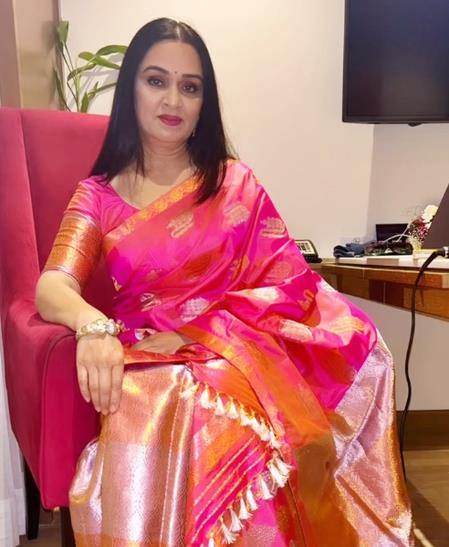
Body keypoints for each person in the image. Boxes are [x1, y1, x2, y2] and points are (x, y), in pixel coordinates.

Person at [35, 18, 414, 547]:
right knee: (165, 396)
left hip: (236, 348)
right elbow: (53, 285)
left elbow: (288, 283)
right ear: (131, 90)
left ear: (204, 103)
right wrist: (93, 328)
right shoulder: (98, 195)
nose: (173, 100)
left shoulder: (235, 183)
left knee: (272, 406)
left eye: (190, 87)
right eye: (156, 80)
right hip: (150, 355)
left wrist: (198, 334)